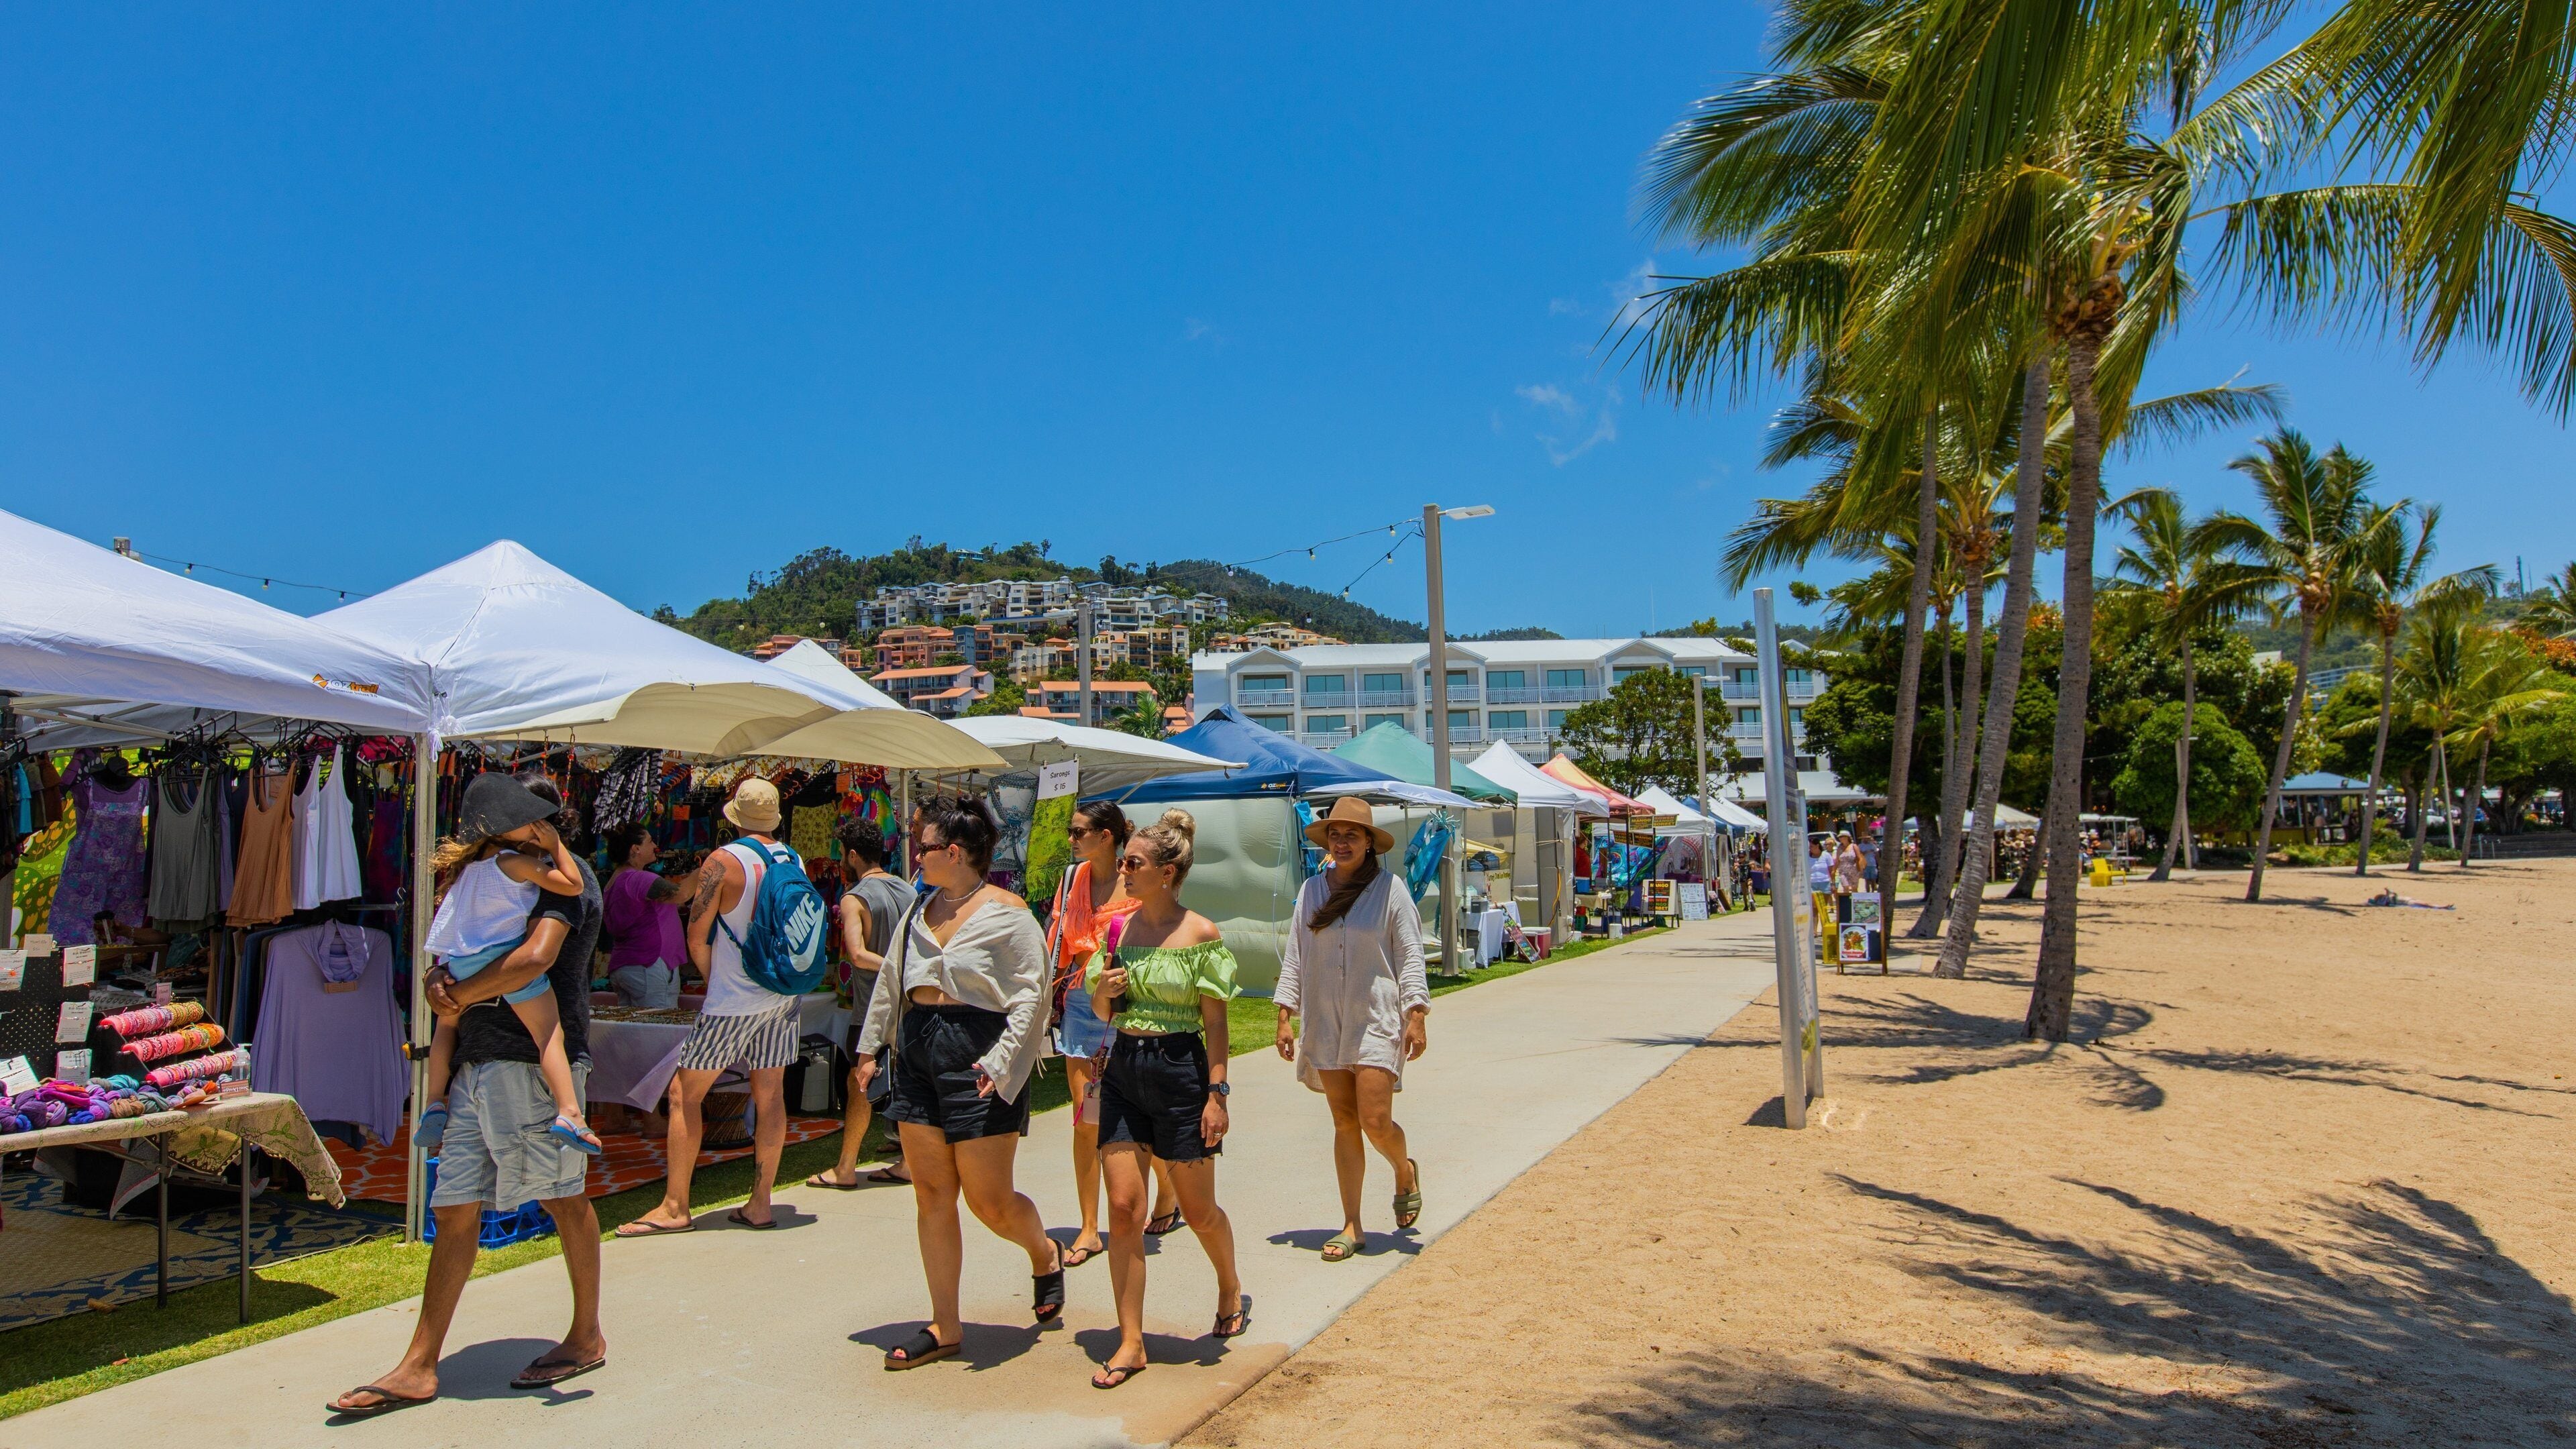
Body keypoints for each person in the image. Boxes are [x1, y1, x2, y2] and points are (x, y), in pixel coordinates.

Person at [328, 774, 606, 1415]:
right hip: (475, 1061)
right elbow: (452, 946)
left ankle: (586, 1334)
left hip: (527, 1060)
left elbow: (536, 959)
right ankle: (419, 1364)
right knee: (453, 1205)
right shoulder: (493, 871)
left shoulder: (567, 878)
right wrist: (437, 984)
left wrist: (454, 994)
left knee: (563, 1195)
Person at [855, 795, 1065, 1369]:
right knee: (931, 1194)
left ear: (953, 851)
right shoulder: (917, 912)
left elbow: (1032, 996)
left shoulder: (1008, 913)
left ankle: (1045, 1253)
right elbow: (891, 984)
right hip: (920, 1049)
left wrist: (1000, 1063)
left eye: (921, 847)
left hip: (980, 1051)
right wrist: (870, 1047)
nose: (913, 856)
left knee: (989, 1201)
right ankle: (945, 1325)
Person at [1085, 808, 1246, 1389]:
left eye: (1134, 863)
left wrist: (1217, 1094)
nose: (1122, 870)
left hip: (1181, 1072)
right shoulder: (1117, 931)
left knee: (1199, 1211)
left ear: (1168, 871)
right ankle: (1131, 1341)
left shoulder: (1201, 934)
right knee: (1125, 1209)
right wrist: (1103, 994)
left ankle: (1229, 1284)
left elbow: (1218, 1025)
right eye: (1124, 861)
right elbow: (1104, 1012)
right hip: (1126, 1069)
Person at [615, 778, 804, 1237]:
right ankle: (760, 1202)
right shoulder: (790, 857)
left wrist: (711, 979)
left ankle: (676, 1205)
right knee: (771, 1095)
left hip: (733, 999)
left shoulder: (723, 860)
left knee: (685, 1095)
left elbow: (696, 936)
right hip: (781, 995)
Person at [1273, 796, 1428, 1265]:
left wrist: (1416, 1011)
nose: (1342, 843)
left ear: (1368, 844)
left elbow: (1410, 952)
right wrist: (1285, 1011)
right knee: (1344, 1122)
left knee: (1375, 1121)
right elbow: (1296, 952)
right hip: (1325, 1019)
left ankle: (1403, 1170)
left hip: (1376, 1018)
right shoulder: (1312, 892)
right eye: (1335, 835)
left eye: (1352, 836)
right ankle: (1352, 1225)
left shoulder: (1390, 890)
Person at [415, 777, 601, 1157]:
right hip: (500, 1018)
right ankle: (570, 1113)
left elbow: (456, 929)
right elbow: (569, 890)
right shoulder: (519, 864)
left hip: (461, 968)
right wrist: (555, 848)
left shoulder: (467, 869)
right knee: (549, 1033)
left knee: (443, 1028)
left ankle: (434, 1099)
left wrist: (449, 987)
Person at [1044, 799, 1181, 1265]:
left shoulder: (1135, 881)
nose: (1071, 839)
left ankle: (1168, 1188)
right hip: (1081, 1004)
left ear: (1106, 836)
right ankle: (1088, 1228)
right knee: (1086, 1119)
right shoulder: (1072, 878)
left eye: (1079, 832)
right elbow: (1061, 937)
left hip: (1127, 1007)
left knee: (1128, 1120)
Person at [808, 818, 916, 1191]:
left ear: (853, 855)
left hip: (873, 1007)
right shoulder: (909, 890)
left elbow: (857, 954)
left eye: (842, 854)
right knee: (907, 1081)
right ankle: (907, 1162)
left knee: (861, 1086)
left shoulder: (854, 898)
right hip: (911, 1005)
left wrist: (893, 970)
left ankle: (846, 1167)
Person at [600, 822, 691, 1008]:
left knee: (632, 1031)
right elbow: (680, 894)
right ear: (636, 849)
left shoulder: (616, 880)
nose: (655, 847)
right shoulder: (639, 878)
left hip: (627, 965)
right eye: (650, 842)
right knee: (655, 1030)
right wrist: (706, 870)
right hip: (648, 965)